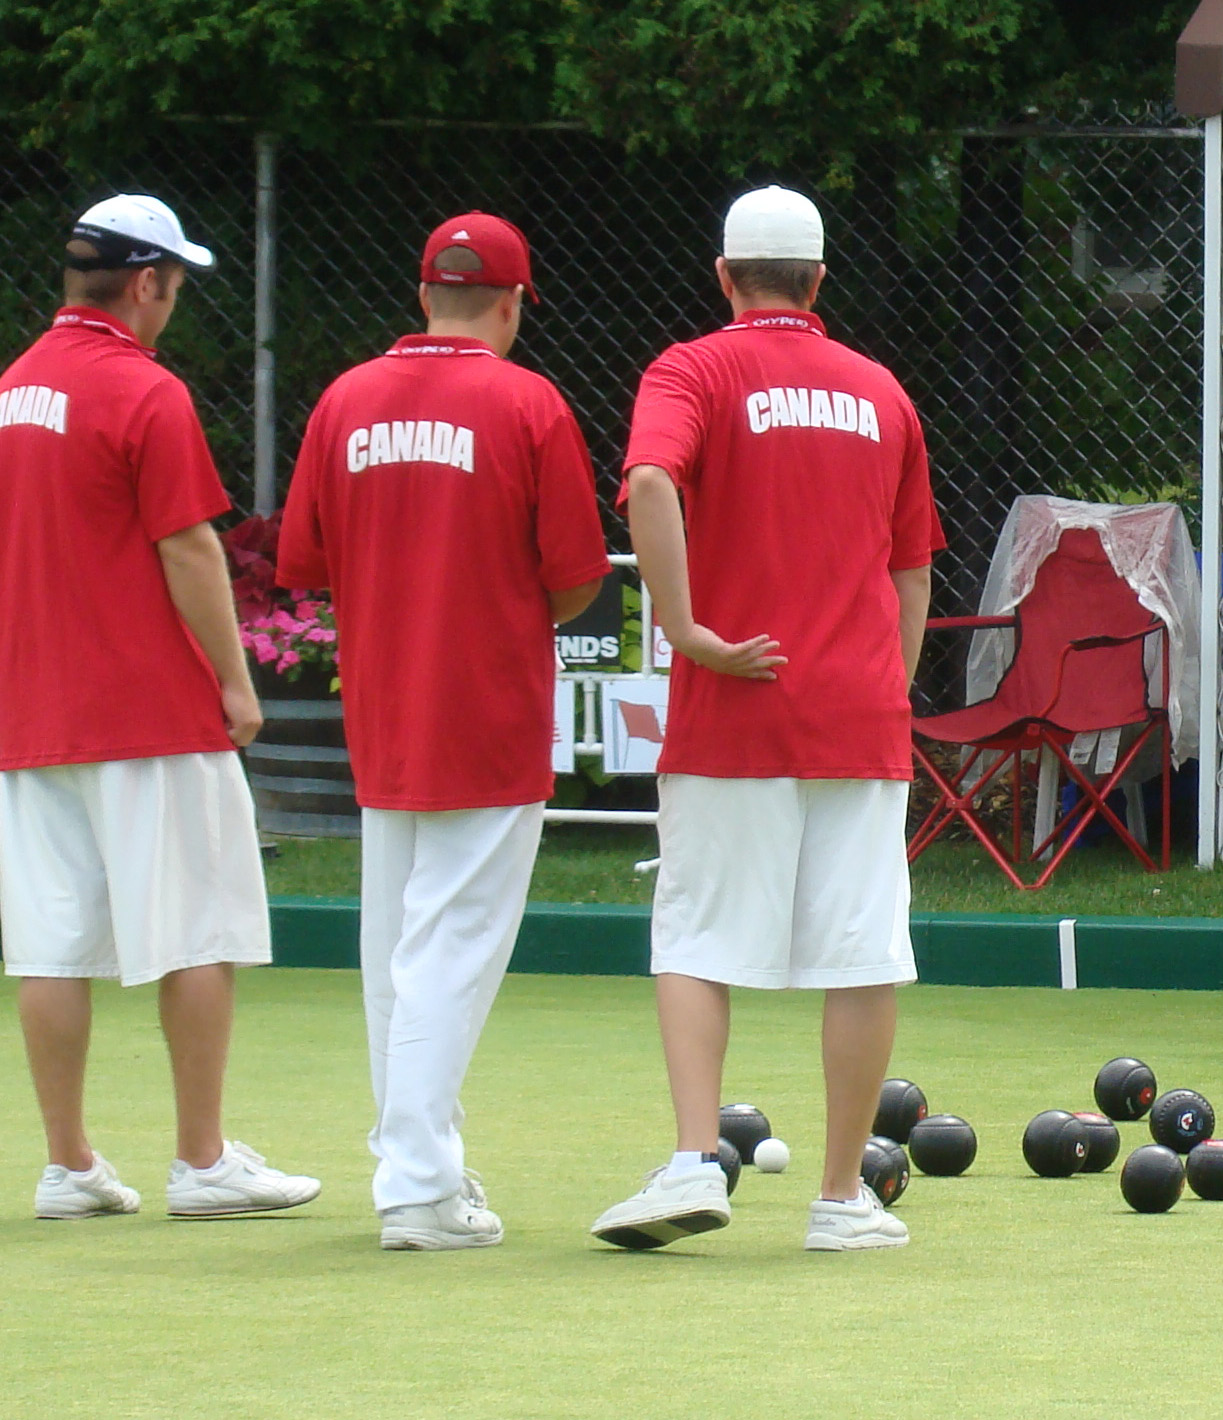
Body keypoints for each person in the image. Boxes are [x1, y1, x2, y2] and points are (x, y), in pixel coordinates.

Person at [591, 185, 943, 1253]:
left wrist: (686, 627)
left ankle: (698, 1158)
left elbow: (651, 477)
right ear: (821, 281)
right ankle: (842, 1198)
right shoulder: (881, 391)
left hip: (735, 704)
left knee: (697, 939)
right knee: (864, 952)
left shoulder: (691, 367)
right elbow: (913, 569)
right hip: (858, 715)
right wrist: (885, 680)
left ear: (724, 277)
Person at [0, 193, 321, 1221]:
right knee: (200, 929)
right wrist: (234, 677)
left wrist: (20, 681)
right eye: (173, 284)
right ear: (144, 283)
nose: (172, 302)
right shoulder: (144, 390)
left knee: (49, 943)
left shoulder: (6, 394)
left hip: (41, 718)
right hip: (151, 710)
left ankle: (69, 1165)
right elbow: (187, 544)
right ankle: (203, 1159)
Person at [277, 211, 610, 1250]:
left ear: (425, 294)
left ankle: (419, 1164)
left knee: (398, 953)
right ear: (510, 304)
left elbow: (306, 562)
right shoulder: (529, 402)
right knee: (447, 953)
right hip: (491, 714)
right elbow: (575, 583)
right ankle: (418, 1184)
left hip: (384, 713)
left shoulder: (345, 399)